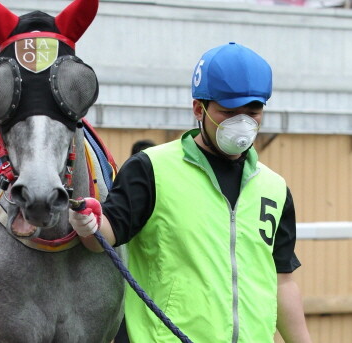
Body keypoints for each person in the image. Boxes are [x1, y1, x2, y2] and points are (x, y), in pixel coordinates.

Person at [69, 42, 312, 342]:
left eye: (253, 112)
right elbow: (105, 238)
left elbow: (282, 283)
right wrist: (89, 222)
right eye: (228, 112)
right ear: (199, 108)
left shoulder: (274, 188)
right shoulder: (151, 169)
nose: (243, 123)